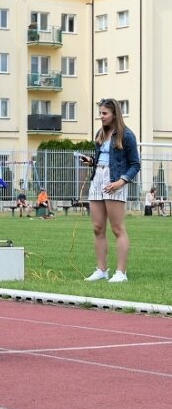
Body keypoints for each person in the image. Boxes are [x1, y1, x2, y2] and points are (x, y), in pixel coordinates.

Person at [79, 98, 140, 283]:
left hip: (115, 181)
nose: (101, 117)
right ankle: (101, 270)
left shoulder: (127, 135)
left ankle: (121, 273)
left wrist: (120, 182)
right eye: (100, 113)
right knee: (98, 228)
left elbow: (135, 164)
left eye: (104, 113)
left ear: (114, 114)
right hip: (98, 179)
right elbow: (103, 159)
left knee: (117, 228)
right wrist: (91, 161)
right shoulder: (101, 133)